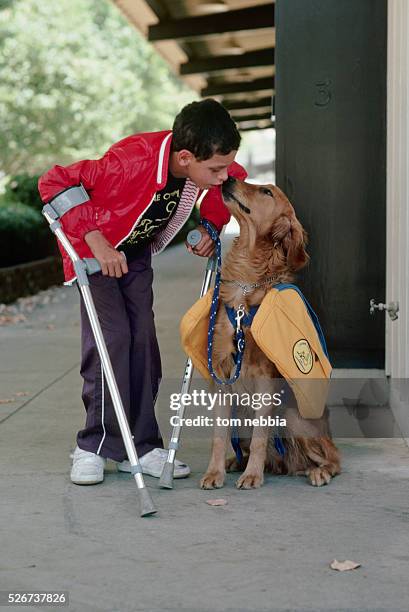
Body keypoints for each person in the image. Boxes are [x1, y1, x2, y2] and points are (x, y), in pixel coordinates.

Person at [38, 98, 247, 485]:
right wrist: (98, 243)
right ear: (185, 157)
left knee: (143, 344)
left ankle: (143, 445)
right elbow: (56, 181)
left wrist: (210, 227)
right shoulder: (130, 160)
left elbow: (229, 182)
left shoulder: (207, 164)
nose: (222, 175)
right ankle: (94, 446)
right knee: (111, 340)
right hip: (95, 252)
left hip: (134, 253)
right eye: (213, 169)